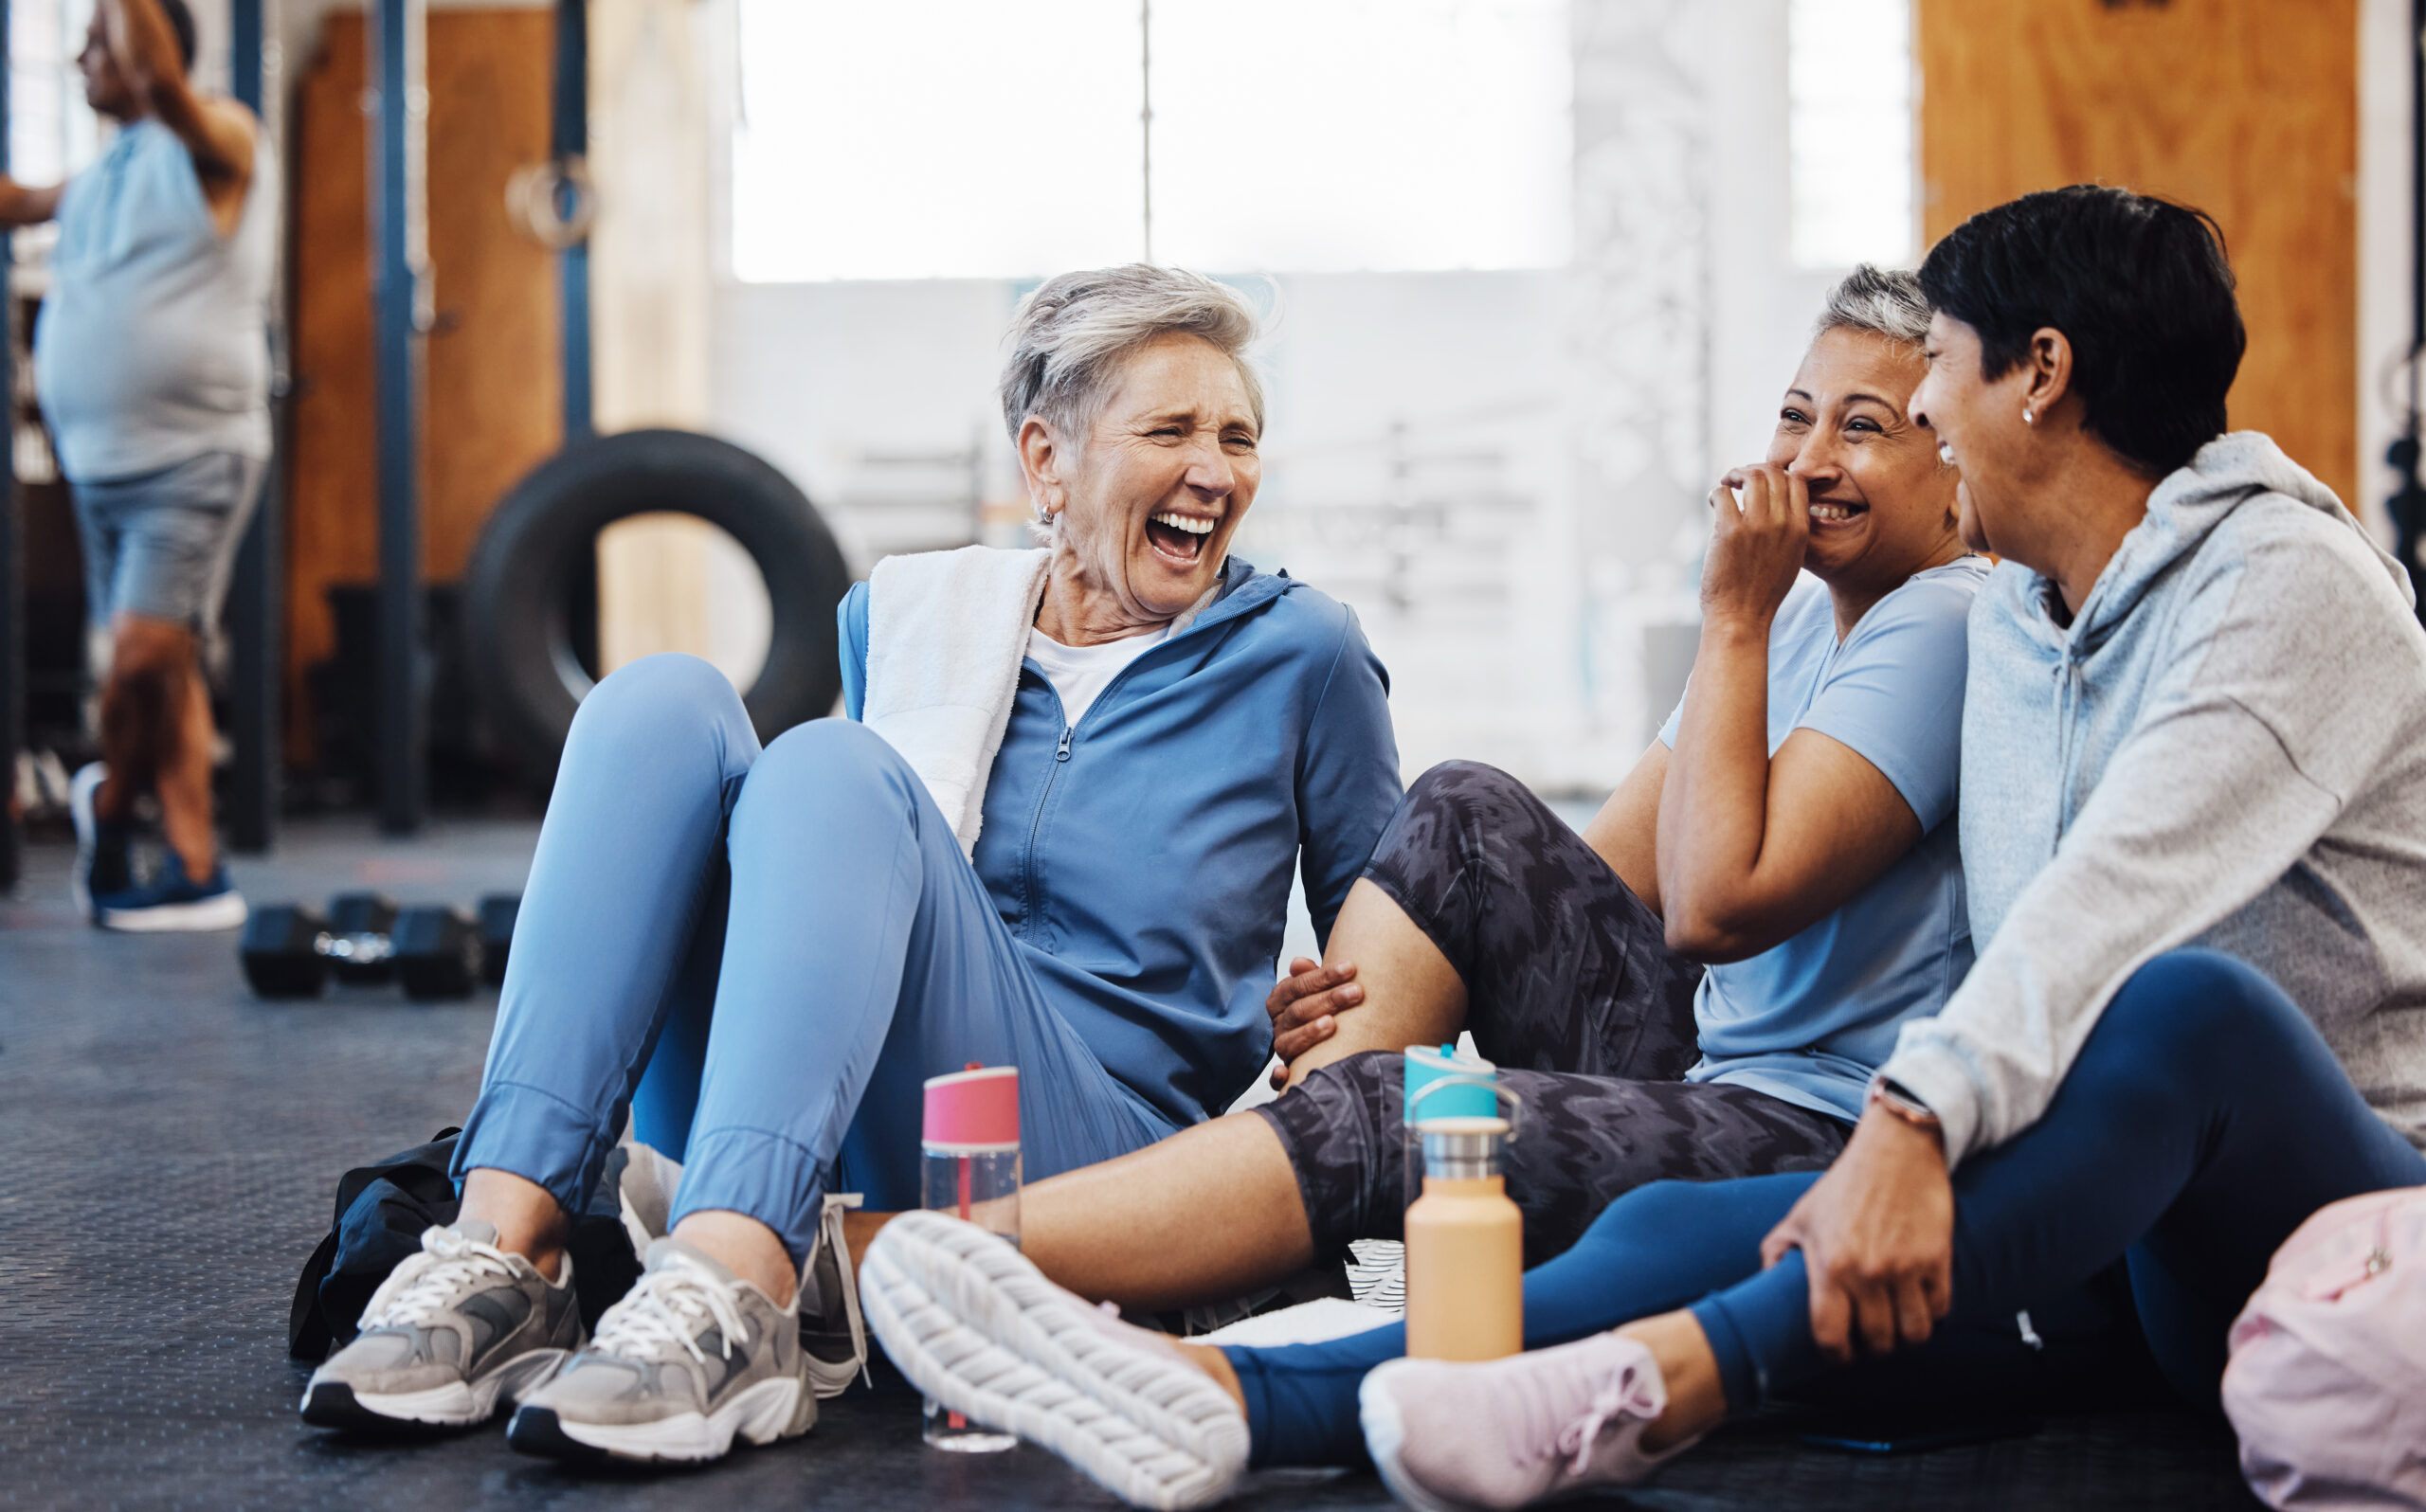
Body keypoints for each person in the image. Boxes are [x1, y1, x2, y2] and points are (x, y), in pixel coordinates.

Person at [860, 186, 2426, 1512]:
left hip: (2320, 1206)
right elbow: (1617, 881)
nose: (1922, 417)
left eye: (1928, 379)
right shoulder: (2029, 610)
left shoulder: (2288, 591)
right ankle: (1231, 1384)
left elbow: (2097, 914)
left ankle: (1612, 1372)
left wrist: (1905, 1126)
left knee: (2182, 1003)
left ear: (2042, 377)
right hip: (2097, 1214)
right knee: (1666, 1218)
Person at [299, 265, 1403, 1465]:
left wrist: (1325, 1029)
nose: (1216, 470)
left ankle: (736, 1290)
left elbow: (1397, 960)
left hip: (1101, 1157)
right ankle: (507, 1252)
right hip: (842, 1108)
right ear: (1046, 461)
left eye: (1239, 436)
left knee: (830, 767)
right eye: (1172, 430)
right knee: (657, 702)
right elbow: (879, 904)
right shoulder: (905, 621)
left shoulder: (1304, 653)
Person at [941, 264, 1994, 1320]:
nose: (1808, 461)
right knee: (1465, 810)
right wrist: (1373, 976)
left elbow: (1713, 904)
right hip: (1714, 1063)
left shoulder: (1938, 622)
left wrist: (1728, 616)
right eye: (1794, 418)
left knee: (1395, 1119)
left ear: (1953, 465)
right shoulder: (1806, 619)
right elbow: (1608, 881)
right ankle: (1268, 1194)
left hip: (1824, 1126)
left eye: (1863, 429)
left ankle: (947, 1259)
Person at [0, 0, 274, 929]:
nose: (81, 56)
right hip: (98, 464)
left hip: (191, 456)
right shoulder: (97, 177)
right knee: (169, 666)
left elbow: (161, 81)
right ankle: (196, 866)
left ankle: (107, 810)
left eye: (98, 39)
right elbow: (11, 201)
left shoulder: (220, 138)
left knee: (140, 658)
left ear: (147, 47)